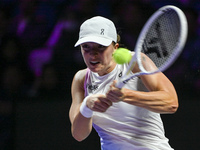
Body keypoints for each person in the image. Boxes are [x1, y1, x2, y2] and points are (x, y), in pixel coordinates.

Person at [69, 16, 178, 150]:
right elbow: (78, 134)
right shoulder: (81, 79)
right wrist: (87, 105)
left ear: (115, 47)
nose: (93, 55)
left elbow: (171, 103)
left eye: (101, 47)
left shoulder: (135, 62)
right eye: (86, 47)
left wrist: (126, 95)